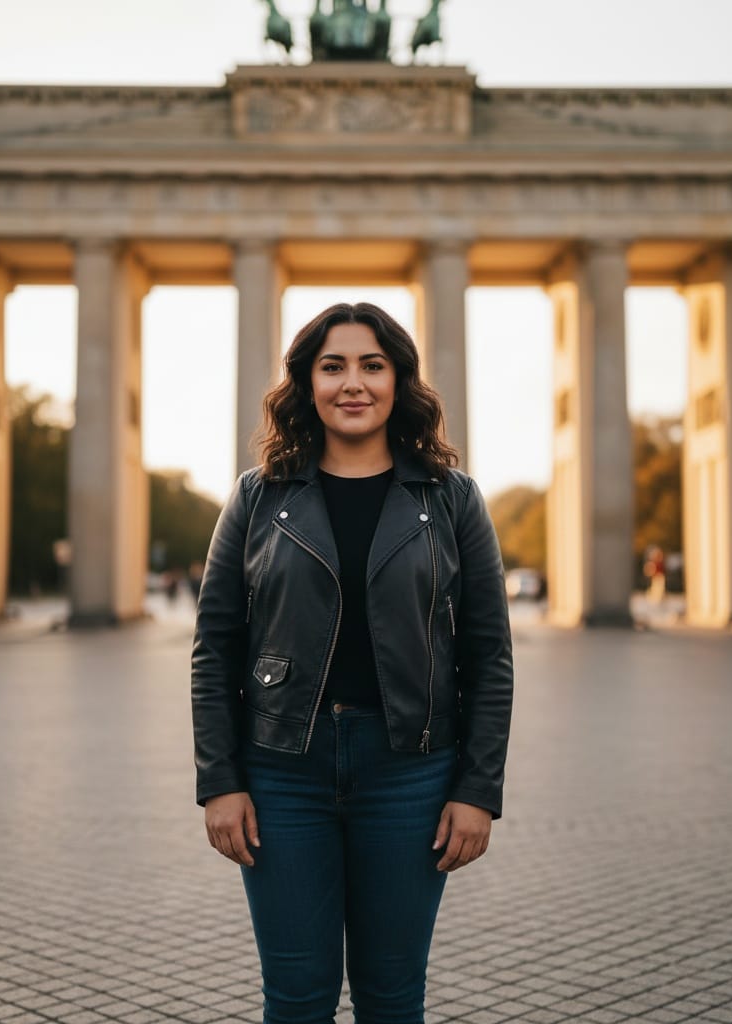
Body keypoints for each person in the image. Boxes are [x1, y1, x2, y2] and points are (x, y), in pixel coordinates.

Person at [191, 302, 514, 1024]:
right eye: (332, 366)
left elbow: (488, 653)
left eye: (373, 365)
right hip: (281, 774)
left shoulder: (452, 498)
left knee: (392, 1000)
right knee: (297, 1000)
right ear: (305, 383)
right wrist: (220, 780)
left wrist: (477, 788)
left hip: (412, 775)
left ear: (401, 380)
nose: (353, 383)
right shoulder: (256, 496)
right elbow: (216, 647)